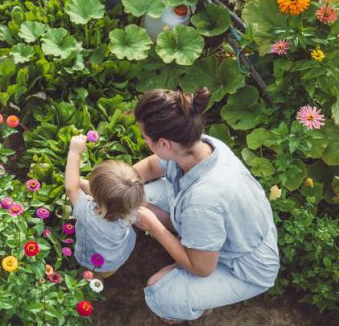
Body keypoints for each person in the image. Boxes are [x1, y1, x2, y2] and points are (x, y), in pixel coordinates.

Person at [131, 87, 280, 323]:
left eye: (145, 138)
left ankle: (199, 305)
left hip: (246, 267)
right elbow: (151, 167)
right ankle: (193, 248)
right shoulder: (201, 145)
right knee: (138, 199)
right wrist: (121, 182)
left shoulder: (203, 201)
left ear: (164, 144)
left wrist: (154, 226)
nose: (144, 141)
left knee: (160, 293)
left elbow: (201, 268)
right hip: (232, 230)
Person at [65, 135, 143, 277]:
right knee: (105, 274)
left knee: (92, 276)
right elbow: (109, 199)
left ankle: (94, 283)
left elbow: (71, 188)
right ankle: (102, 279)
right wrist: (82, 184)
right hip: (117, 257)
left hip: (94, 261)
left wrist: (74, 152)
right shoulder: (131, 207)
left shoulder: (89, 215)